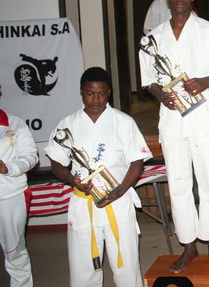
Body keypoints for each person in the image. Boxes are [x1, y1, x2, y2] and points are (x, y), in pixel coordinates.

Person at [139, 0, 209, 272]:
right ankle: (188, 246)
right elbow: (149, 80)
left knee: (208, 181)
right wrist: (159, 95)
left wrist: (205, 81)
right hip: (172, 120)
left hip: (202, 117)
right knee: (179, 184)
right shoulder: (153, 38)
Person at [45, 67, 152, 287]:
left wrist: (120, 190)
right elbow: (56, 163)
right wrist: (71, 179)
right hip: (83, 203)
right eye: (90, 94)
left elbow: (137, 162)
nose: (96, 100)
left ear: (109, 93)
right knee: (83, 268)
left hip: (118, 200)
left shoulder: (123, 122)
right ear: (81, 92)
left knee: (126, 265)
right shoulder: (67, 124)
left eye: (101, 94)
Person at [0, 72, 37, 287]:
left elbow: (30, 156)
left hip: (11, 197)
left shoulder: (14, 123)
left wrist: (8, 168)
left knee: (15, 252)